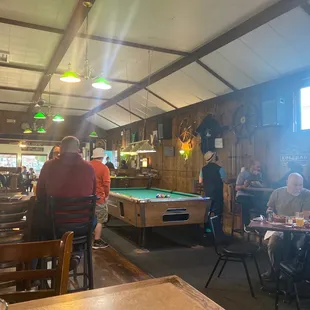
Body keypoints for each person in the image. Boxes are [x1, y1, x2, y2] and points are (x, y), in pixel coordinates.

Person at [35, 136, 97, 268]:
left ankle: (38, 268)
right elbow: (93, 195)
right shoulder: (89, 168)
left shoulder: (48, 166)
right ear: (78, 150)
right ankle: (76, 253)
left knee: (37, 221)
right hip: (82, 226)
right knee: (91, 221)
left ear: (61, 149)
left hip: (56, 226)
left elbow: (40, 195)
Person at [262, 173, 310, 281]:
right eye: (295, 185)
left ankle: (291, 273)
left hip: (300, 230)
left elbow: (305, 214)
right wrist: (270, 213)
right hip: (279, 228)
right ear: (287, 183)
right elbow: (269, 208)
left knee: (300, 247)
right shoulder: (277, 192)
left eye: (300, 185)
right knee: (273, 244)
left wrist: (285, 218)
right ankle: (275, 270)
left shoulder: (307, 194)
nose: (298, 188)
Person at [235, 160, 267, 229]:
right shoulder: (243, 174)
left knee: (261, 204)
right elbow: (237, 187)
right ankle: (246, 225)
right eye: (258, 166)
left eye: (260, 167)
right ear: (252, 166)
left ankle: (259, 226)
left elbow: (264, 185)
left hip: (253, 196)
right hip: (242, 195)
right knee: (247, 203)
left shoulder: (259, 174)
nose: (259, 168)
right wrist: (244, 186)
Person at [89, 148, 111, 249]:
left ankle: (87, 239)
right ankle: (97, 241)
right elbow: (106, 184)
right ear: (102, 157)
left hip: (87, 198)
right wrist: (106, 196)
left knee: (89, 218)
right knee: (99, 220)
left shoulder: (87, 166)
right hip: (98, 198)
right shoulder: (104, 168)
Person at [199, 151, 226, 217]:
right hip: (218, 195)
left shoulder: (203, 169)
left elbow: (200, 181)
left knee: (208, 213)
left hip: (208, 194)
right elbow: (225, 180)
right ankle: (217, 226)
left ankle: (209, 226)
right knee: (218, 214)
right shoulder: (220, 169)